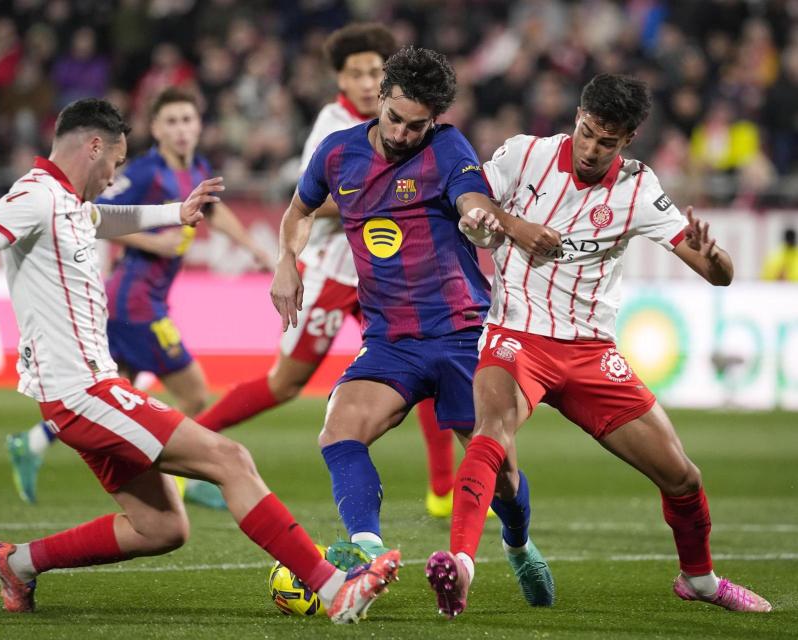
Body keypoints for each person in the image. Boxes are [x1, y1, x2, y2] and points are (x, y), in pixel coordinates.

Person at [0, 98, 399, 623]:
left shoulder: (66, 201)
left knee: (162, 527)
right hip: (82, 393)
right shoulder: (35, 196)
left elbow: (104, 218)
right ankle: (334, 587)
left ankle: (17, 562)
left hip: (89, 390)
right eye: (115, 162)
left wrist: (173, 213)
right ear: (94, 146)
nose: (115, 173)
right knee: (230, 460)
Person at [426, 73, 772, 617]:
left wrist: (715, 254)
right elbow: (467, 204)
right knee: (490, 435)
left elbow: (718, 275)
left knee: (682, 476)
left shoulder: (638, 188)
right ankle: (461, 566)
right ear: (578, 116)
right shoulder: (525, 156)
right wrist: (509, 225)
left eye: (606, 141)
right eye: (586, 132)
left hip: (591, 352)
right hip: (517, 335)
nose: (591, 148)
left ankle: (699, 580)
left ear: (628, 139)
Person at [270, 46, 558, 607]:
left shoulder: (448, 146)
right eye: (395, 118)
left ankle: (519, 544)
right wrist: (287, 259)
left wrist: (484, 217)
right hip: (390, 339)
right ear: (381, 98)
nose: (403, 133)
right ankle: (365, 550)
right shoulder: (337, 154)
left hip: (463, 335)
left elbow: (473, 199)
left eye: (417, 124)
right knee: (338, 429)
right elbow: (300, 212)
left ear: (436, 119)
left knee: (499, 474)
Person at [194, 24, 458, 518]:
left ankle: (443, 490)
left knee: (427, 376)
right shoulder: (333, 125)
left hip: (385, 279)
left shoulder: (414, 132)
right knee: (285, 384)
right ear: (340, 78)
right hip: (333, 273)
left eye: (372, 72)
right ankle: (191, 440)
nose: (363, 82)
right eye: (354, 73)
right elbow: (315, 200)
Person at [4, 87, 273, 506]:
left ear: (200, 125)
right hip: (135, 300)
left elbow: (215, 212)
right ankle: (188, 475)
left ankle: (34, 443)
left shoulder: (196, 168)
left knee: (113, 392)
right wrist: (153, 242)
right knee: (195, 392)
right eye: (172, 121)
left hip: (149, 299)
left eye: (188, 120)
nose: (182, 129)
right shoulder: (143, 172)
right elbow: (94, 215)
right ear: (156, 129)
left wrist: (255, 250)